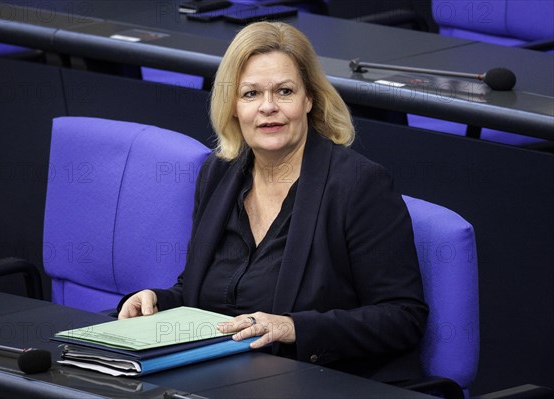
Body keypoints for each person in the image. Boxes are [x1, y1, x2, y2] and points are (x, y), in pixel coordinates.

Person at [118, 21, 428, 382]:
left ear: (309, 98)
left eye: (284, 91)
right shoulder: (218, 174)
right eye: (250, 94)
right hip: (221, 377)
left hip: (318, 378)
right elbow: (198, 291)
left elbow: (403, 317)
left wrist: (293, 327)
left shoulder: (359, 185)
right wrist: (158, 300)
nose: (268, 107)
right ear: (232, 105)